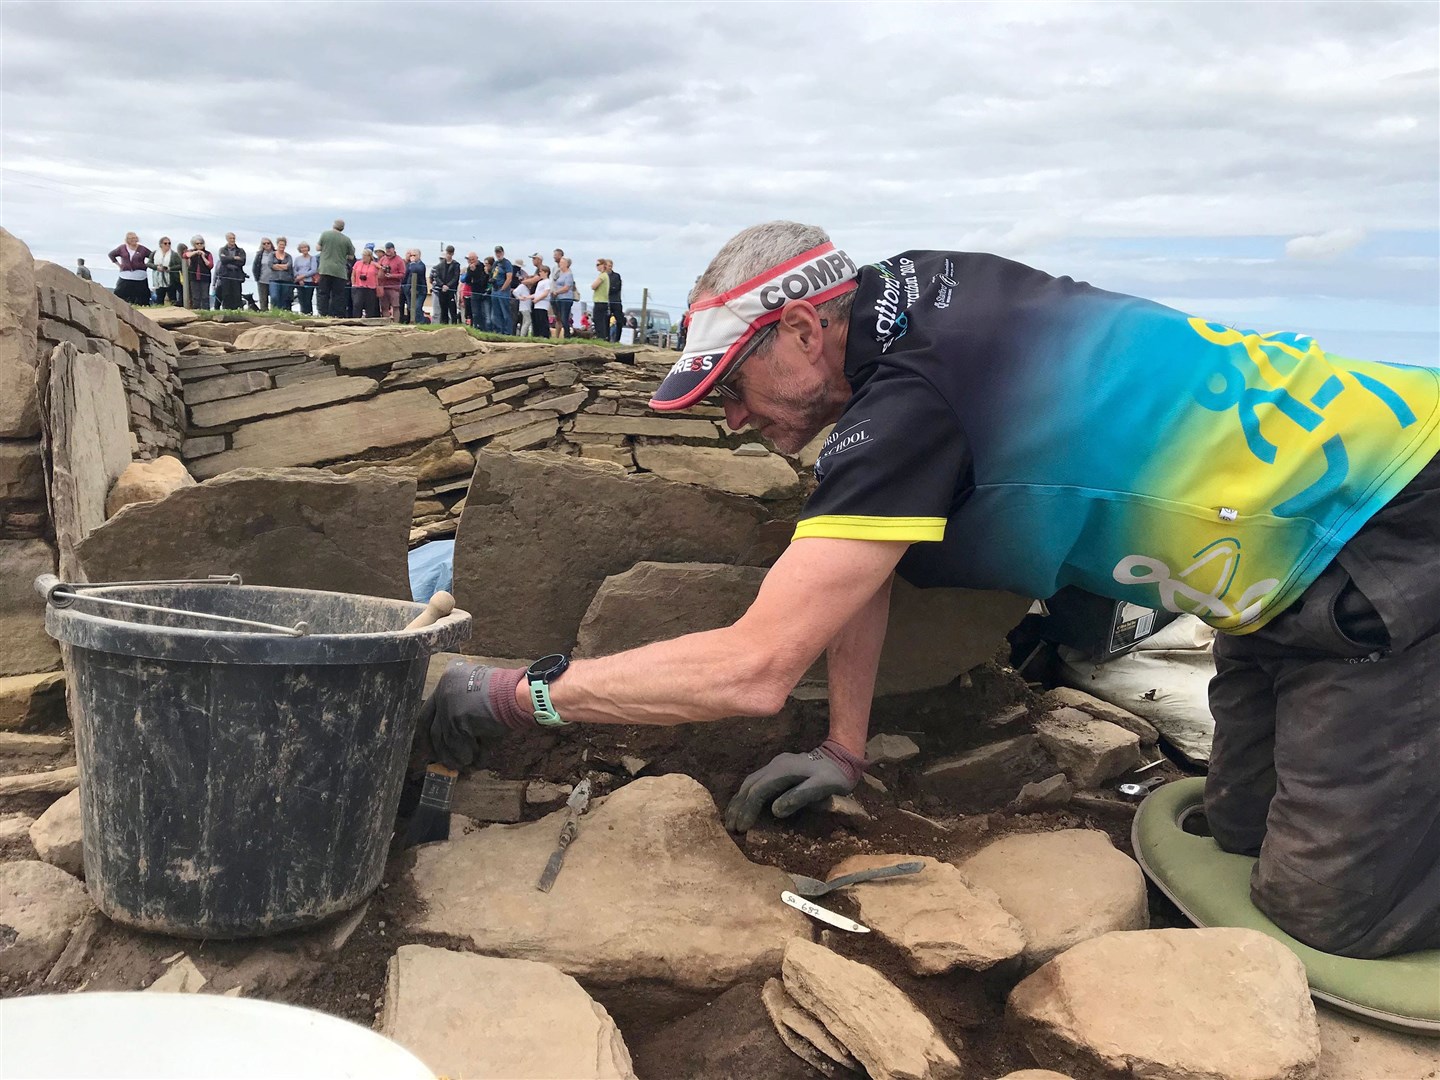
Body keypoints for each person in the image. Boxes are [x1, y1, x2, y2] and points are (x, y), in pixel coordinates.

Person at [420, 219, 1440, 962]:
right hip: (1282, 567)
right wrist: (845, 747)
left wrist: (516, 694)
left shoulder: (908, 402)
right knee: (1241, 829)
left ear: (805, 333)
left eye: (732, 382)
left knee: (1332, 918)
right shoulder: (909, 303)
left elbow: (753, 668)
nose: (730, 417)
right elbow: (865, 570)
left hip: (1393, 521)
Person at [316, 218, 355, 317]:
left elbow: (318, 248)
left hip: (325, 268)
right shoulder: (346, 239)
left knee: (323, 293)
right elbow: (351, 256)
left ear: (333, 225)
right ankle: (337, 315)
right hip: (340, 271)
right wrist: (342, 255)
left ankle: (323, 313)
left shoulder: (325, 234)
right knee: (338, 295)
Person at [107, 232, 152, 305]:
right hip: (125, 276)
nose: (133, 240)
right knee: (120, 293)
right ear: (127, 240)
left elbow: (152, 256)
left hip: (140, 276)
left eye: (135, 238)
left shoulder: (142, 249)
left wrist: (146, 265)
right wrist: (119, 265)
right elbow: (111, 254)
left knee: (142, 296)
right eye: (131, 238)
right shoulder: (122, 248)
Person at [215, 232, 247, 310]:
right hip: (226, 274)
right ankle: (226, 309)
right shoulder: (222, 249)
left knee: (236, 294)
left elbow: (242, 262)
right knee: (226, 294)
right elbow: (223, 260)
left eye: (233, 238)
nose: (232, 240)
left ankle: (236, 310)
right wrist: (234, 258)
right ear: (227, 239)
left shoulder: (240, 250)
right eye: (230, 238)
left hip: (236, 274)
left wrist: (229, 259)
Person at [431, 245, 461, 325]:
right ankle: (443, 325)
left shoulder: (456, 265)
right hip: (442, 290)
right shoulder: (440, 265)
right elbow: (436, 277)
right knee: (443, 310)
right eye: (448, 253)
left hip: (451, 291)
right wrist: (442, 285)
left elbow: (456, 277)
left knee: (452, 310)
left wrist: (448, 286)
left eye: (450, 253)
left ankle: (454, 326)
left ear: (453, 254)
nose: (449, 255)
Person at [147, 238, 183, 305]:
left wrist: (170, 268)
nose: (167, 245)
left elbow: (180, 265)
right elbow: (149, 263)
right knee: (159, 298)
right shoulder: (154, 253)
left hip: (171, 280)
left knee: (172, 298)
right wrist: (156, 267)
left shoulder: (174, 254)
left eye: (169, 243)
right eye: (165, 243)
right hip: (158, 280)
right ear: (161, 244)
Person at [350, 246, 382, 318]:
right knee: (357, 305)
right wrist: (353, 284)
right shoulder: (357, 263)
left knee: (370, 306)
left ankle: (369, 321)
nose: (363, 257)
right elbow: (353, 274)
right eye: (362, 255)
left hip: (370, 288)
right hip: (358, 287)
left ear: (369, 256)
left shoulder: (374, 264)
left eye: (365, 255)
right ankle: (356, 321)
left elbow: (380, 272)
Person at [378, 242, 406, 322]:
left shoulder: (399, 260)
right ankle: (387, 324)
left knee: (395, 306)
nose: (388, 250)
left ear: (393, 249)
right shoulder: (383, 259)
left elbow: (402, 274)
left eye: (390, 248)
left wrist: (392, 276)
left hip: (394, 287)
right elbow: (377, 269)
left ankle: (396, 324)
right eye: (387, 248)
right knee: (384, 307)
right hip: (384, 286)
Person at [265, 237, 295, 311]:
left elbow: (288, 266)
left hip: (286, 280)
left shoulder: (288, 256)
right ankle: (274, 312)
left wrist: (277, 266)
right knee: (274, 297)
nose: (282, 246)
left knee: (284, 299)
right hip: (274, 280)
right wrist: (282, 266)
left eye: (283, 245)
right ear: (277, 245)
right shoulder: (272, 255)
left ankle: (282, 314)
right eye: (280, 244)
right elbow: (271, 265)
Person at [184, 236, 213, 309]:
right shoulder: (191, 252)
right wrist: (195, 252)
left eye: (201, 243)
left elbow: (210, 265)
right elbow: (185, 255)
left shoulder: (208, 253)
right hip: (194, 278)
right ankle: (196, 310)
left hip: (205, 278)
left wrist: (203, 256)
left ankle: (206, 311)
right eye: (197, 243)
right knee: (195, 296)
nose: (199, 245)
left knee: (205, 296)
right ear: (194, 244)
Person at [490, 246, 514, 335]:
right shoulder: (495, 263)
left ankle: (507, 332)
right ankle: (498, 331)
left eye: (499, 252)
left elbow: (509, 278)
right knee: (496, 313)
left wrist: (503, 288)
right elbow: (492, 275)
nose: (498, 254)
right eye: (496, 252)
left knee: (505, 312)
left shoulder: (506, 263)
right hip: (494, 289)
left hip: (502, 290)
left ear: (503, 252)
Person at [292, 242, 319, 315]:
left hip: (309, 281)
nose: (304, 249)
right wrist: (299, 278)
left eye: (305, 247)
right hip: (299, 281)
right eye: (302, 248)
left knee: (308, 299)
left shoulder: (312, 258)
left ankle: (309, 314)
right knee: (301, 299)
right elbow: (294, 269)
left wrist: (303, 276)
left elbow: (313, 270)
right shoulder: (297, 259)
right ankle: (302, 313)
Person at [551, 257, 576, 338]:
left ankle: (567, 335)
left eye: (562, 262)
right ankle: (565, 334)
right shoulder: (561, 273)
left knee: (564, 317)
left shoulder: (569, 274)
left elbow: (567, 287)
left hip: (566, 298)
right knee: (561, 317)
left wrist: (557, 292)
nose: (560, 264)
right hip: (559, 298)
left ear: (567, 264)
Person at [402, 249, 428, 324]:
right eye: (411, 255)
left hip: (420, 291)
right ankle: (414, 322)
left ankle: (421, 322)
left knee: (417, 307)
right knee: (411, 308)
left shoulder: (421, 265)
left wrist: (413, 262)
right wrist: (404, 287)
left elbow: (415, 270)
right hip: (409, 290)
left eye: (414, 255)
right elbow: (406, 276)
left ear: (419, 256)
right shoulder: (409, 265)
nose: (412, 257)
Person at [461, 252, 486, 329]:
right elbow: (467, 280)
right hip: (474, 292)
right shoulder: (469, 268)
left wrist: (474, 272)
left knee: (483, 312)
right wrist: (471, 271)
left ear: (476, 259)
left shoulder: (482, 266)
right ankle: (475, 327)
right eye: (469, 260)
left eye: (472, 259)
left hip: (482, 292)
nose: (471, 261)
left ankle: (482, 328)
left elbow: (482, 280)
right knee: (475, 313)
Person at [590, 259, 610, 341]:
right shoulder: (605, 275)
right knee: (600, 320)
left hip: (600, 301)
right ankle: (601, 336)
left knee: (598, 320)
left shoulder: (602, 275)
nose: (597, 266)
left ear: (603, 265)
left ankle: (600, 337)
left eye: (598, 264)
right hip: (603, 301)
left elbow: (593, 286)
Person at [530, 265, 553, 338]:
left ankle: (545, 335)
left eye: (541, 271)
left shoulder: (547, 282)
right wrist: (527, 297)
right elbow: (537, 293)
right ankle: (538, 335)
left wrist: (537, 299)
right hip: (537, 304)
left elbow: (546, 293)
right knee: (537, 321)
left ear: (546, 273)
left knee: (543, 320)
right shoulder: (540, 282)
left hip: (542, 304)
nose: (540, 273)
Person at [253, 238, 275, 311]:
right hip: (262, 280)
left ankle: (274, 313)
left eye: (268, 243)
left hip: (274, 280)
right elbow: (255, 266)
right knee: (263, 299)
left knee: (274, 298)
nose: (266, 245)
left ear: (271, 244)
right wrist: (257, 278)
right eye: (264, 243)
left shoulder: (276, 253)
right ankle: (264, 313)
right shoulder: (259, 254)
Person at [606, 259, 624, 342]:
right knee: (605, 320)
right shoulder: (602, 276)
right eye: (607, 265)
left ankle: (617, 339)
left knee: (619, 321)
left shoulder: (616, 276)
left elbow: (617, 287)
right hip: (606, 301)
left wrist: (607, 289)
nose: (609, 267)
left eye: (610, 266)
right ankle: (606, 338)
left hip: (616, 301)